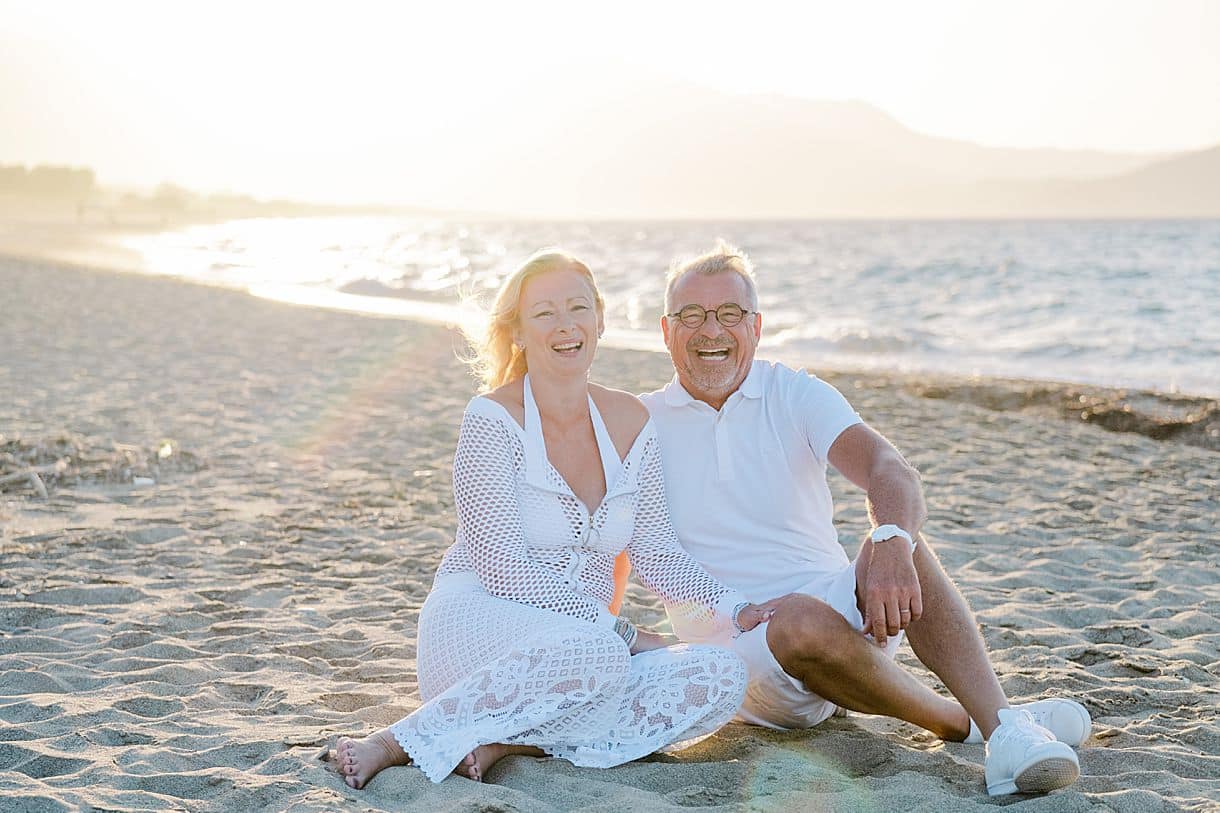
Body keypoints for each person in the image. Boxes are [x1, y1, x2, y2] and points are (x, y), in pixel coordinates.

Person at [637, 242, 1091, 797]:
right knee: (800, 618)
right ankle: (972, 721)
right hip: (736, 653)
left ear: (755, 327)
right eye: (692, 316)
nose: (712, 331)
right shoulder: (640, 423)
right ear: (666, 332)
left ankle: (1007, 733)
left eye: (729, 314)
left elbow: (887, 466)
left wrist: (893, 542)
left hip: (855, 621)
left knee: (898, 543)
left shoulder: (795, 392)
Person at [332, 249, 779, 789]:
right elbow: (501, 568)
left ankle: (512, 739)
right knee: (605, 654)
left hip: (580, 649)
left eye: (578, 308)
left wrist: (737, 607)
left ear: (600, 320)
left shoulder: (634, 420)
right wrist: (622, 631)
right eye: (545, 313)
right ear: (517, 332)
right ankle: (396, 740)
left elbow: (657, 552)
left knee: (720, 675)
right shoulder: (492, 418)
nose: (566, 325)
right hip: (479, 621)